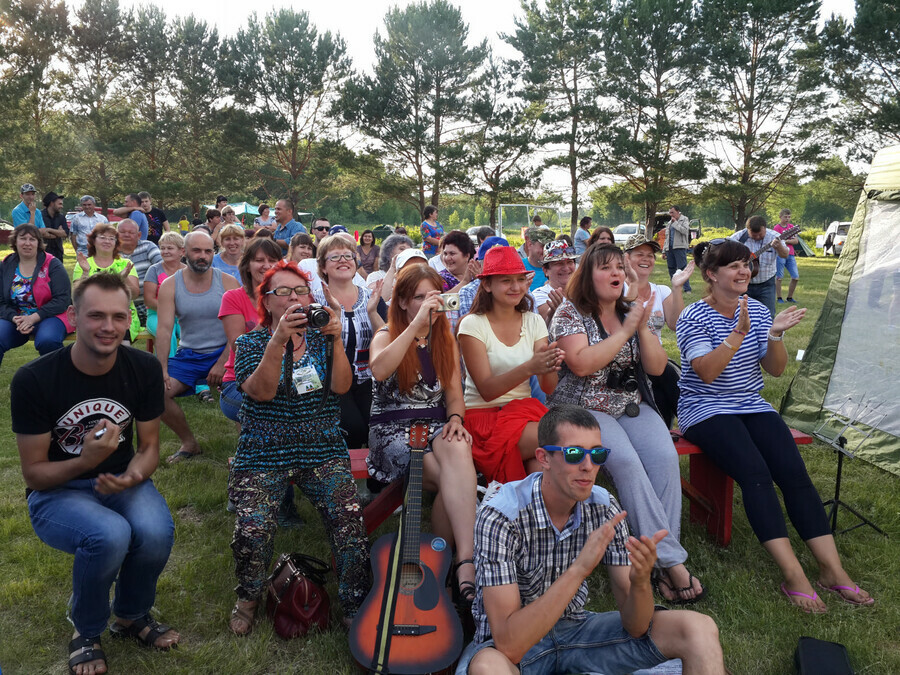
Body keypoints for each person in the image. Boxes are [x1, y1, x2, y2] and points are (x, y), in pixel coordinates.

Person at [677, 239, 873, 613]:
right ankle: (794, 575)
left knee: (794, 475)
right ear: (710, 275)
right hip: (705, 408)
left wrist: (775, 334)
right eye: (733, 266)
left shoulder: (761, 311)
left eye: (746, 264)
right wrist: (738, 332)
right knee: (756, 475)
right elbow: (705, 373)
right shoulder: (694, 316)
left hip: (751, 404)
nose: (743, 271)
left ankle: (832, 571)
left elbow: (776, 369)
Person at [456, 404, 726, 675]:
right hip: (514, 653)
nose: (588, 466)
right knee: (487, 669)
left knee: (699, 629)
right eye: (574, 454)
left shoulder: (603, 507)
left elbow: (636, 626)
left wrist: (641, 582)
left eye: (597, 454)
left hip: (578, 633)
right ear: (544, 458)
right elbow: (509, 645)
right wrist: (579, 570)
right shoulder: (501, 516)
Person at [11, 273, 180, 675]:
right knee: (109, 535)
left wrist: (132, 477)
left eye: (118, 317)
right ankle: (85, 630)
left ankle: (131, 614)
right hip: (58, 491)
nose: (108, 327)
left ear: (129, 321)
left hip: (122, 481)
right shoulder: (34, 380)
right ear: (73, 316)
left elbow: (150, 447)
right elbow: (35, 475)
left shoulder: (140, 367)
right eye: (96, 316)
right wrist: (86, 462)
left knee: (155, 531)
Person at [548, 243, 705, 603]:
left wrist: (642, 325)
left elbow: (655, 368)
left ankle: (657, 557)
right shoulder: (570, 314)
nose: (616, 273)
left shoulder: (630, 310)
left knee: (665, 459)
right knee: (628, 464)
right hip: (582, 407)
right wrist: (624, 331)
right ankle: (671, 563)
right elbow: (583, 365)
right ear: (587, 274)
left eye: (620, 267)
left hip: (629, 404)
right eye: (606, 268)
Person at [227, 260, 370, 635]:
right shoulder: (249, 342)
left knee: (349, 519)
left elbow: (341, 387)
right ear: (267, 302)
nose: (294, 298)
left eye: (301, 291)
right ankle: (249, 595)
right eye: (283, 292)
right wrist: (277, 342)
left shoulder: (323, 335)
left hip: (321, 447)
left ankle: (355, 599)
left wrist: (338, 339)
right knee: (252, 530)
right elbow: (261, 391)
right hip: (263, 450)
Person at [368, 264, 478, 604]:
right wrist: (415, 327)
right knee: (453, 477)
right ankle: (455, 562)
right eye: (419, 297)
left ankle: (463, 559)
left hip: (435, 425)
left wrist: (457, 418)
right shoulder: (386, 335)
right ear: (401, 302)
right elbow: (379, 368)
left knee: (458, 449)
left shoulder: (445, 339)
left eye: (434, 296)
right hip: (392, 430)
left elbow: (454, 393)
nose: (428, 304)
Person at [458, 245, 562, 483]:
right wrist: (531, 367)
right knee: (559, 437)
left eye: (520, 279)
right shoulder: (472, 324)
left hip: (524, 412)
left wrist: (550, 365)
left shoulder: (534, 320)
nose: (516, 287)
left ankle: (528, 511)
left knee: (540, 469)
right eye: (506, 281)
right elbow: (486, 390)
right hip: (484, 419)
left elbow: (547, 387)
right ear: (486, 285)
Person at [155, 231, 240, 463]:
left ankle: (247, 451)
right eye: (197, 251)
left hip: (226, 353)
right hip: (189, 355)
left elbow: (238, 332)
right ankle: (189, 443)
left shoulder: (228, 282)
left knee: (249, 394)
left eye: (208, 251)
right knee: (155, 392)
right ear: (184, 252)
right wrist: (161, 368)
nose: (203, 256)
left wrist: (223, 363)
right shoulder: (170, 285)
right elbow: (163, 330)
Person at [314, 235, 386, 449]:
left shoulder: (371, 297)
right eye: (335, 257)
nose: (343, 260)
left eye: (348, 256)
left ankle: (375, 479)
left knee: (376, 426)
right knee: (354, 429)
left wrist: (372, 312)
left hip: (367, 380)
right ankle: (343, 476)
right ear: (323, 267)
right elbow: (312, 345)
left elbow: (386, 339)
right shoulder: (314, 300)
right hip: (330, 381)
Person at [623, 233, 694, 428]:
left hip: (656, 361)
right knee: (670, 377)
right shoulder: (616, 288)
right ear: (626, 258)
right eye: (640, 254)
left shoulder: (661, 290)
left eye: (650, 255)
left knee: (667, 381)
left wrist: (677, 287)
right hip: (627, 363)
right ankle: (691, 421)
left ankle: (687, 423)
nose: (646, 259)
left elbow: (675, 323)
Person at [217, 237, 282, 423]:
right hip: (241, 380)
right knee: (278, 408)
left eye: (272, 260)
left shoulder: (293, 295)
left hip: (287, 376)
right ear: (247, 265)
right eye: (259, 260)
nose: (266, 265)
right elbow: (239, 346)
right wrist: (270, 315)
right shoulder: (233, 298)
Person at [0, 224, 72, 365]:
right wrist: (14, 318)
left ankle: (61, 381)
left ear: (39, 243)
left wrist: (33, 318)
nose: (27, 243)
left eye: (32, 239)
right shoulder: (6, 265)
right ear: (15, 241)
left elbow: (62, 300)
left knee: (47, 340)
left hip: (50, 315)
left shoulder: (53, 264)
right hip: (17, 319)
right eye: (23, 238)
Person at [73, 223, 141, 342]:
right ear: (94, 241)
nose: (107, 241)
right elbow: (76, 296)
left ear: (116, 243)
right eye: (102, 237)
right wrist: (85, 272)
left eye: (111, 239)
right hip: (92, 314)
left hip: (120, 315)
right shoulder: (83, 264)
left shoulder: (126, 264)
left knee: (121, 347)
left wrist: (124, 278)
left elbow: (134, 295)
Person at [728, 215, 789, 316]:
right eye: (753, 235)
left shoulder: (775, 237)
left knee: (768, 314)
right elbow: (725, 255)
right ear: (747, 230)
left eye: (760, 235)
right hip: (742, 283)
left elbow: (785, 255)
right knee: (739, 314)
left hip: (766, 283)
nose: (756, 237)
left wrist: (779, 247)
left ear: (765, 228)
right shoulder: (738, 238)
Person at [144, 231, 186, 357]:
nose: (165, 251)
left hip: (182, 315)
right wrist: (171, 310)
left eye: (170, 248)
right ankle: (166, 369)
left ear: (181, 251)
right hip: (157, 314)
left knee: (193, 332)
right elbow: (149, 300)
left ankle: (190, 368)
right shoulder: (154, 270)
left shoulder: (187, 271)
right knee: (168, 333)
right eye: (162, 248)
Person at [116, 219, 162, 327]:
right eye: (122, 232)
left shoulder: (148, 247)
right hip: (120, 305)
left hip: (147, 304)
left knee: (161, 327)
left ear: (139, 235)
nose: (126, 235)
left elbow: (162, 268)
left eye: (131, 232)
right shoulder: (111, 251)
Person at [533, 240, 577, 325]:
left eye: (569, 262)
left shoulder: (584, 291)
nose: (566, 268)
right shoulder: (539, 296)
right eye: (559, 263)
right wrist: (552, 313)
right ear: (545, 270)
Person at [774, 208, 800, 303]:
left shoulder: (791, 227)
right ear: (780, 217)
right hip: (780, 254)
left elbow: (796, 241)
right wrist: (786, 241)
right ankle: (779, 298)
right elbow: (776, 241)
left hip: (791, 254)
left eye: (789, 217)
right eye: (785, 217)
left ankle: (790, 297)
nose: (787, 219)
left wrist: (785, 240)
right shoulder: (777, 228)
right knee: (779, 277)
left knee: (795, 277)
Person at [664, 206, 692, 293]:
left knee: (682, 268)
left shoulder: (684, 219)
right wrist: (664, 251)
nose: (671, 214)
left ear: (678, 212)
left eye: (672, 212)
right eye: (670, 213)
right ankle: (675, 287)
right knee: (671, 268)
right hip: (670, 248)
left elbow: (685, 231)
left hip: (679, 247)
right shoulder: (669, 222)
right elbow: (667, 237)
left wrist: (675, 223)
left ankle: (687, 289)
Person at [520, 226, 555, 291]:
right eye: (543, 246)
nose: (547, 251)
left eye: (550, 247)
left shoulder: (557, 270)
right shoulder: (519, 267)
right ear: (529, 244)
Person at [39, 191, 69, 261]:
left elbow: (65, 233)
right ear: (52, 203)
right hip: (42, 253)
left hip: (58, 253)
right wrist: (58, 232)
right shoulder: (40, 216)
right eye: (59, 204)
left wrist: (49, 230)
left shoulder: (61, 217)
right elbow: (41, 233)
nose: (62, 206)